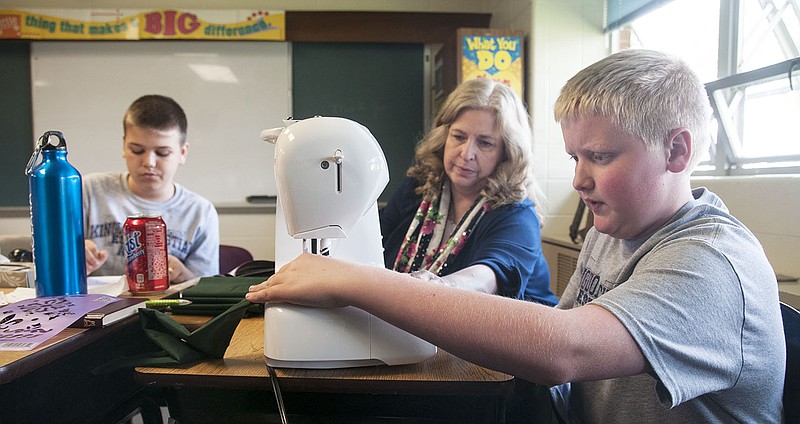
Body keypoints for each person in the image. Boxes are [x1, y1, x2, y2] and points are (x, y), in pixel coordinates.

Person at [247, 49, 785, 422]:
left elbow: (564, 349)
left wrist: (351, 282)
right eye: (575, 157)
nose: (578, 179)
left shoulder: (711, 264)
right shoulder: (618, 227)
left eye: (600, 156)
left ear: (677, 152)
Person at [380, 77, 557, 305]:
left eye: (485, 143)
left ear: (506, 153)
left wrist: (438, 287)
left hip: (514, 337)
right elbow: (376, 239)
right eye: (459, 137)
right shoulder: (418, 187)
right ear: (444, 136)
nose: (466, 153)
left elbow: (488, 277)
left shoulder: (517, 215)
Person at [83, 94, 219, 283]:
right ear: (124, 146)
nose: (149, 162)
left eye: (162, 153)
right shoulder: (88, 191)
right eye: (137, 150)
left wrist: (184, 276)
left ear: (182, 153)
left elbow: (208, 288)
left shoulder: (200, 212)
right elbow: (49, 258)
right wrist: (71, 256)